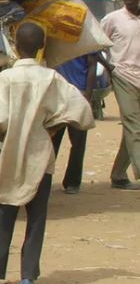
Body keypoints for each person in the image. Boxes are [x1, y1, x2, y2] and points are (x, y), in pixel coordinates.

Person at [0, 23, 94, 284]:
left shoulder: (8, 78)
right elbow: (81, 111)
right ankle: (28, 275)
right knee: (36, 214)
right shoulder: (51, 78)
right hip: (41, 152)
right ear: (42, 47)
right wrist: (52, 127)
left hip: (11, 151)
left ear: (16, 46)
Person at [101, 0, 140, 190]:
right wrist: (109, 67)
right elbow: (96, 44)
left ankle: (118, 174)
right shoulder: (113, 19)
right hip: (122, 75)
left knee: (131, 129)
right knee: (134, 123)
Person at [51, 53, 98, 194]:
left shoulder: (82, 36)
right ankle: (45, 180)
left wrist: (88, 97)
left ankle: (72, 182)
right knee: (51, 142)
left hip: (79, 94)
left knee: (78, 142)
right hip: (56, 96)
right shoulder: (55, 36)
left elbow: (92, 65)